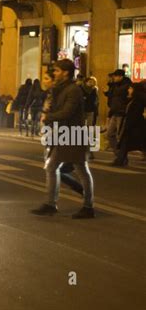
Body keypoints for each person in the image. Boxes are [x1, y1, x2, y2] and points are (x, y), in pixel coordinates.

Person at [32, 58, 94, 219]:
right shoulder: (61, 88)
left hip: (73, 134)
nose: (55, 73)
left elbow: (67, 112)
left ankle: (88, 207)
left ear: (66, 73)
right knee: (52, 167)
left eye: (58, 71)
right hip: (63, 134)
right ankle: (50, 204)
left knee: (81, 169)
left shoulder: (73, 90)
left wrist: (48, 117)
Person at [40, 68, 84, 198]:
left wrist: (48, 119)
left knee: (54, 166)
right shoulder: (51, 93)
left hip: (61, 133)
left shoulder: (59, 93)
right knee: (52, 167)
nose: (44, 81)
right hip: (53, 132)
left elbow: (63, 113)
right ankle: (53, 201)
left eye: (47, 78)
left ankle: (81, 192)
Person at [112, 82, 146, 166]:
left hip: (135, 125)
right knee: (127, 143)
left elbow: (136, 112)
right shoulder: (134, 98)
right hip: (133, 124)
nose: (129, 90)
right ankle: (120, 160)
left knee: (127, 142)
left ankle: (120, 160)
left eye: (130, 88)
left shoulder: (139, 99)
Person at [105, 69, 131, 154]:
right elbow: (113, 99)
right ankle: (118, 153)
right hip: (114, 112)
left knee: (120, 136)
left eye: (115, 76)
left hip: (122, 113)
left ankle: (121, 156)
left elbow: (125, 98)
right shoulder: (115, 85)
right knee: (109, 134)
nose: (113, 78)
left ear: (121, 76)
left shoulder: (127, 86)